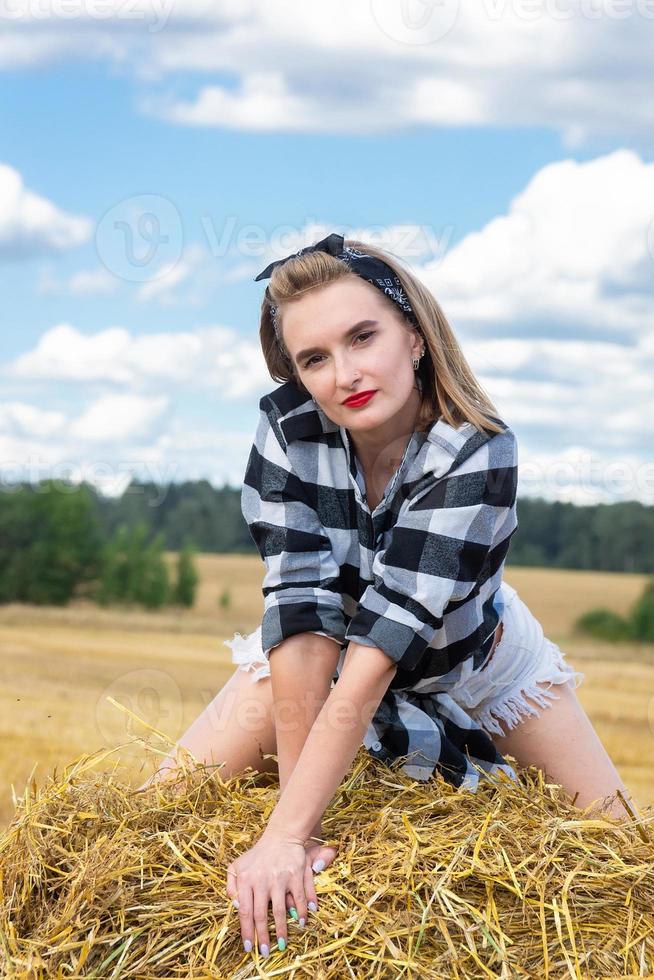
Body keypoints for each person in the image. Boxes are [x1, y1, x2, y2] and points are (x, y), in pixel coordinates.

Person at [139, 233, 635, 959]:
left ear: (413, 334)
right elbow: (303, 613)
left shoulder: (476, 449)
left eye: (362, 336)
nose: (345, 374)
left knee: (623, 864)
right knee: (147, 817)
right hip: (326, 649)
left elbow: (379, 653)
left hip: (473, 658)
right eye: (314, 358)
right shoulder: (286, 430)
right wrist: (297, 828)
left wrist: (283, 835)